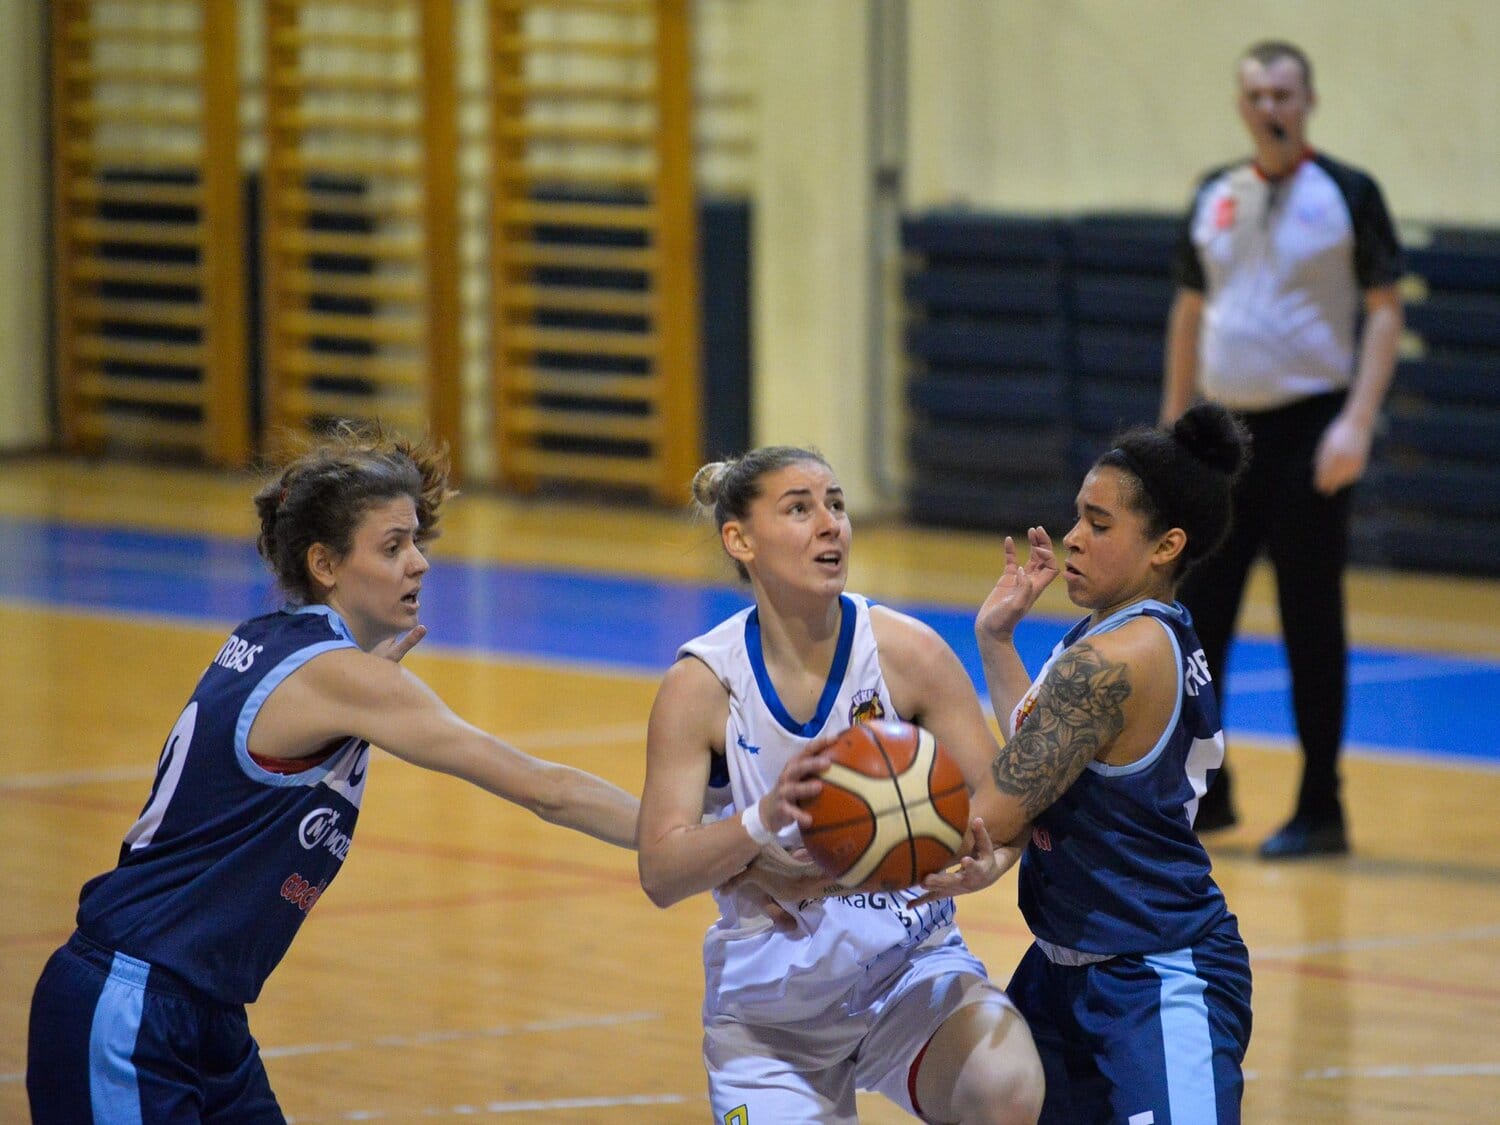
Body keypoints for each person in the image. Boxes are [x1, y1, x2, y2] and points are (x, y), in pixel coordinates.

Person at [26, 423, 640, 1124]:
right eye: (393, 546)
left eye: (417, 541)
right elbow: (545, 788)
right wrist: (696, 839)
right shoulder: (340, 678)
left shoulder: (269, 640)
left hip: (205, 1013)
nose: (420, 564)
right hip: (132, 1006)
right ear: (324, 562)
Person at [636, 446, 1044, 1124]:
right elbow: (660, 870)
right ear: (740, 539)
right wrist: (760, 819)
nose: (830, 524)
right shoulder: (701, 685)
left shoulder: (908, 652)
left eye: (837, 505)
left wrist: (991, 860)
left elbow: (1006, 802)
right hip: (770, 1013)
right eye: (799, 508)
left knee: (1006, 1088)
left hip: (911, 972)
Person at [927, 403, 1255, 1124]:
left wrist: (832, 835)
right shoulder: (1117, 633)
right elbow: (1040, 749)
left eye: (1100, 525)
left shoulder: (1113, 660)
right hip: (1062, 972)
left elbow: (995, 808)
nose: (1072, 537)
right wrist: (996, 641)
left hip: (1156, 975)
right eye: (1079, 515)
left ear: (1167, 544)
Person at [1161, 39, 1405, 858]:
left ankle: (1321, 806)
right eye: (1258, 94)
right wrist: (1172, 433)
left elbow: (1385, 308)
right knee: (1194, 625)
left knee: (1310, 623)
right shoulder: (1213, 194)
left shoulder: (1347, 193)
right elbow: (1191, 311)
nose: (1271, 108)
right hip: (1222, 439)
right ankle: (1209, 791)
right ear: (1242, 104)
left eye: (1285, 95)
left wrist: (1358, 421)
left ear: (1309, 102)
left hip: (1311, 432)